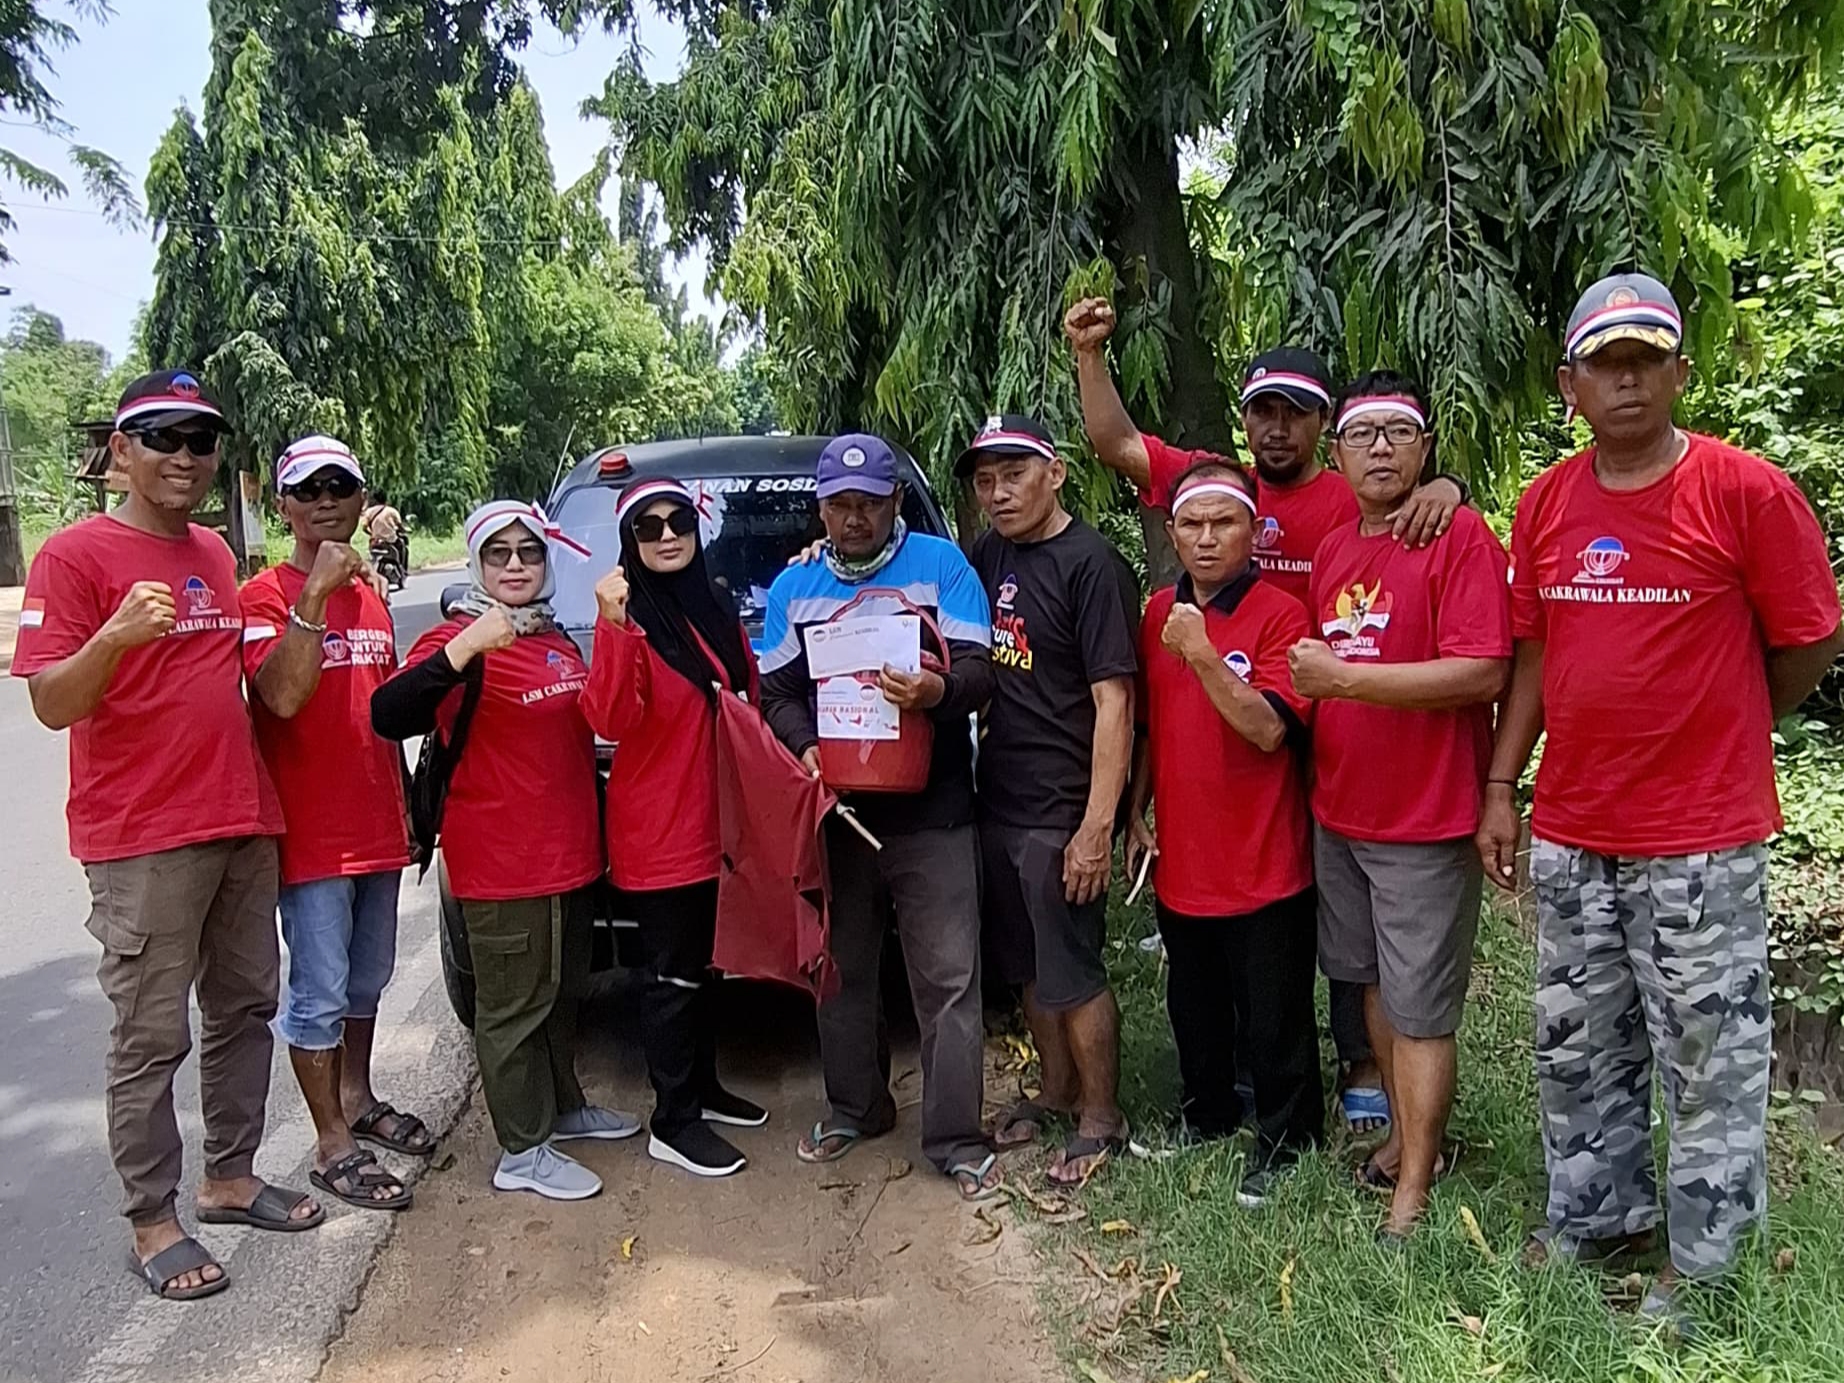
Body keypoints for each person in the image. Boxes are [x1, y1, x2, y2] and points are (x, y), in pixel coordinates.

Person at [1477, 273, 1844, 1328]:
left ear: (1680, 371)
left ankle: (1704, 1270)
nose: (1625, 378)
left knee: (1706, 1061)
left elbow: (1810, 638)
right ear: (1570, 384)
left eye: (1645, 357)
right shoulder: (1546, 503)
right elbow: (1534, 651)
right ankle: (1597, 1221)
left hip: (1699, 840)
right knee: (1578, 1043)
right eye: (1604, 361)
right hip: (1576, 830)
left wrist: (1729, 721)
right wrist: (1501, 784)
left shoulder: (1744, 491)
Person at [1065, 297, 1465, 1135]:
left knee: (1314, 907)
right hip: (1229, 715)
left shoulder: (1346, 495)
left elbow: (1409, 525)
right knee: (1261, 911)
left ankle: (1354, 1062)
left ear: (1325, 424)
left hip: (1321, 713)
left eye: (1296, 414)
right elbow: (1115, 442)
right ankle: (1237, 1079)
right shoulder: (1211, 482)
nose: (1277, 429)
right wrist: (1090, 354)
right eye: (1262, 412)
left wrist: (1445, 483)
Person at [12, 370, 321, 1302]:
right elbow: (49, 703)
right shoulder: (72, 556)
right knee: (150, 1039)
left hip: (240, 818)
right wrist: (111, 637)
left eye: (201, 438)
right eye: (161, 437)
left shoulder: (218, 555)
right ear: (122, 451)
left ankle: (229, 1176)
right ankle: (153, 1217)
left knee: (243, 1012)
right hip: (142, 836)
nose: (184, 455)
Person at [1287, 370, 1510, 1238]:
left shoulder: (1458, 537)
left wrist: (1349, 678)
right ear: (1336, 452)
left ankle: (1415, 1184)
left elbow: (1483, 670)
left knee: (1421, 1007)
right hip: (1341, 809)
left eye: (1399, 431)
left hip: (1425, 817)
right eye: (1362, 432)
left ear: (1424, 448)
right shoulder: (1338, 548)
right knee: (1370, 981)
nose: (1380, 446)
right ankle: (1398, 1145)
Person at [757, 434, 1002, 1200]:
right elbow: (775, 692)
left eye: (869, 501)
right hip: (841, 815)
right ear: (821, 507)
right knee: (843, 971)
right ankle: (855, 1107)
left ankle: (957, 1136)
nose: (854, 517)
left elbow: (979, 670)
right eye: (839, 504)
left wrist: (936, 693)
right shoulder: (792, 588)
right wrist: (805, 749)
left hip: (935, 814)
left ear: (896, 500)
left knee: (948, 981)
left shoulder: (941, 566)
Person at [372, 500, 637, 1201]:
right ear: (476, 564)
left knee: (560, 995)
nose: (515, 565)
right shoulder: (453, 640)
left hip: (573, 857)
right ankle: (521, 1148)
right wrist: (464, 649)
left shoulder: (556, 641)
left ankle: (563, 1109)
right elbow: (387, 713)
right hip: (501, 864)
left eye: (528, 552)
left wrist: (612, 628)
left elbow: (603, 720)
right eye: (499, 554)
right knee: (513, 1006)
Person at [1126, 461, 1323, 1205]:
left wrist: (1204, 651)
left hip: (1265, 858)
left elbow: (1269, 730)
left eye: (1224, 523)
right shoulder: (1156, 613)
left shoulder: (1282, 614)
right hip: (1185, 856)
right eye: (1192, 525)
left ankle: (1288, 1137)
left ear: (1252, 531)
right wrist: (1137, 809)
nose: (1207, 540)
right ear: (1172, 531)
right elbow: (1149, 723)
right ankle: (1206, 1115)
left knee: (1275, 1018)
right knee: (1196, 1006)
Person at [241, 435, 425, 1213]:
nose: (324, 499)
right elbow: (279, 698)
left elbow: (382, 714)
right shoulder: (261, 596)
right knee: (316, 992)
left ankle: (356, 1094)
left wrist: (412, 803)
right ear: (282, 505)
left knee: (365, 979)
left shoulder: (375, 596)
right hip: (312, 837)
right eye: (306, 488)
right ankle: (331, 1144)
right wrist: (310, 597)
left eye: (338, 486)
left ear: (361, 498)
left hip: (379, 824)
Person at [956, 415, 1139, 1185]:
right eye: (985, 480)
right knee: (1028, 966)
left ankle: (1101, 1114)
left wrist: (1098, 824)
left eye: (1014, 475)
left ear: (1055, 472)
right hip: (998, 794)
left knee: (1073, 966)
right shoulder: (989, 551)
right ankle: (1056, 1089)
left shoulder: (1092, 565)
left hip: (1063, 804)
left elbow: (1115, 702)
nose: (997, 494)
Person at [580, 477, 768, 1179]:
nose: (666, 535)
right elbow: (608, 718)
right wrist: (612, 627)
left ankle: (704, 1088)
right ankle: (673, 1118)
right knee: (668, 979)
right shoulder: (631, 622)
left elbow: (746, 689)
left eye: (677, 521)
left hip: (718, 821)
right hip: (658, 831)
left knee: (705, 968)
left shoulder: (711, 603)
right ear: (629, 544)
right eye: (648, 527)